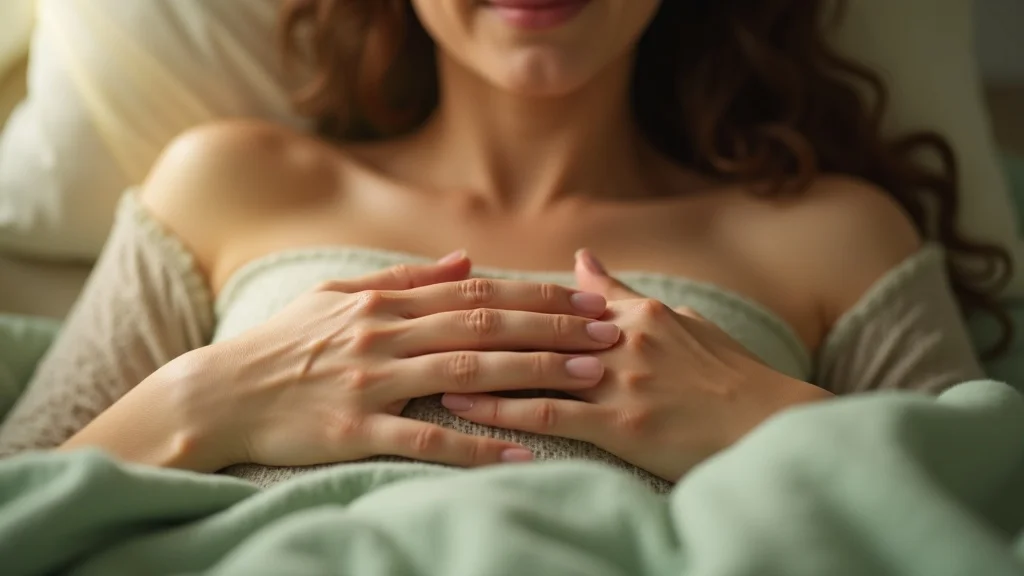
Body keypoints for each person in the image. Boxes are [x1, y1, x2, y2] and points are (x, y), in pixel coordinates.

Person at [0, 0, 1002, 492]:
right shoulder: (229, 184)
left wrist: (765, 418)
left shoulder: (830, 234)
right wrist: (215, 399)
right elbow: (22, 502)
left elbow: (985, 524)